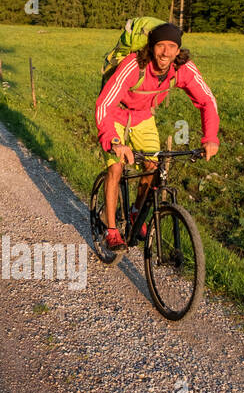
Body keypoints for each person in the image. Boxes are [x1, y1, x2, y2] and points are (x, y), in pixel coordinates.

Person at [94, 22, 219, 251]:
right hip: (115, 115)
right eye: (161, 45)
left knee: (153, 167)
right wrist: (114, 141)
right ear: (151, 47)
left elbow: (207, 100)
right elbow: (104, 103)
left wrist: (210, 138)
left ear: (178, 50)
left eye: (172, 46)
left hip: (143, 118)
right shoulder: (134, 65)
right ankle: (111, 230)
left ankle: (135, 213)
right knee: (116, 169)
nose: (165, 52)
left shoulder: (183, 68)